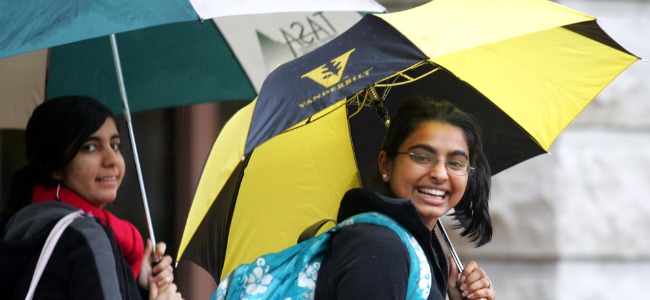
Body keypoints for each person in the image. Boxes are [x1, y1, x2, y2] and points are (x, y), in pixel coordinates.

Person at [0, 95, 182, 299]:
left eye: (115, 145)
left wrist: (140, 285)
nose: (111, 160)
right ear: (54, 167)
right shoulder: (86, 236)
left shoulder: (17, 226)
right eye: (90, 147)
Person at [315, 97, 496, 299]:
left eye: (455, 162)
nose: (440, 174)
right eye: (422, 157)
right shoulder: (379, 248)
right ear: (386, 165)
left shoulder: (415, 248)